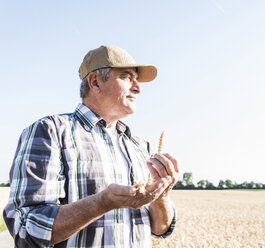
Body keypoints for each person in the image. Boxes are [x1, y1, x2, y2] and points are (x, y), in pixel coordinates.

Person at [3, 45, 179, 248]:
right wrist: (102, 202)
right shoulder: (51, 131)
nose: (138, 88)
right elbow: (26, 230)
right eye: (127, 77)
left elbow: (161, 229)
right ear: (95, 82)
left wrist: (161, 196)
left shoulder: (141, 147)